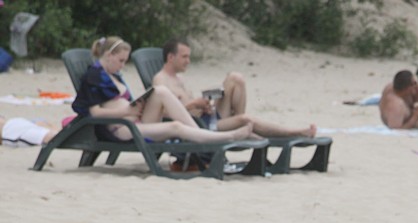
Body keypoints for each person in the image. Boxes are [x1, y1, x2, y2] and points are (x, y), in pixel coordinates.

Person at [72, 36, 255, 144]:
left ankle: (203, 137)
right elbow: (94, 113)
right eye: (121, 61)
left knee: (160, 91)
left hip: (135, 120)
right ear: (109, 56)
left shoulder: (113, 74)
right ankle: (224, 137)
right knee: (175, 126)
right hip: (121, 128)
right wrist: (127, 110)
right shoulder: (94, 76)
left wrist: (136, 106)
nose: (123, 65)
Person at [152, 38, 316, 138]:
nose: (188, 61)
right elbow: (162, 114)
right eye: (184, 57)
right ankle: (294, 132)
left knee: (235, 78)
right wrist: (195, 104)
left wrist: (205, 102)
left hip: (207, 116)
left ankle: (240, 124)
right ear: (170, 57)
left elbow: (190, 102)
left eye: (189, 56)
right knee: (247, 119)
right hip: (200, 126)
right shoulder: (160, 80)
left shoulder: (180, 78)